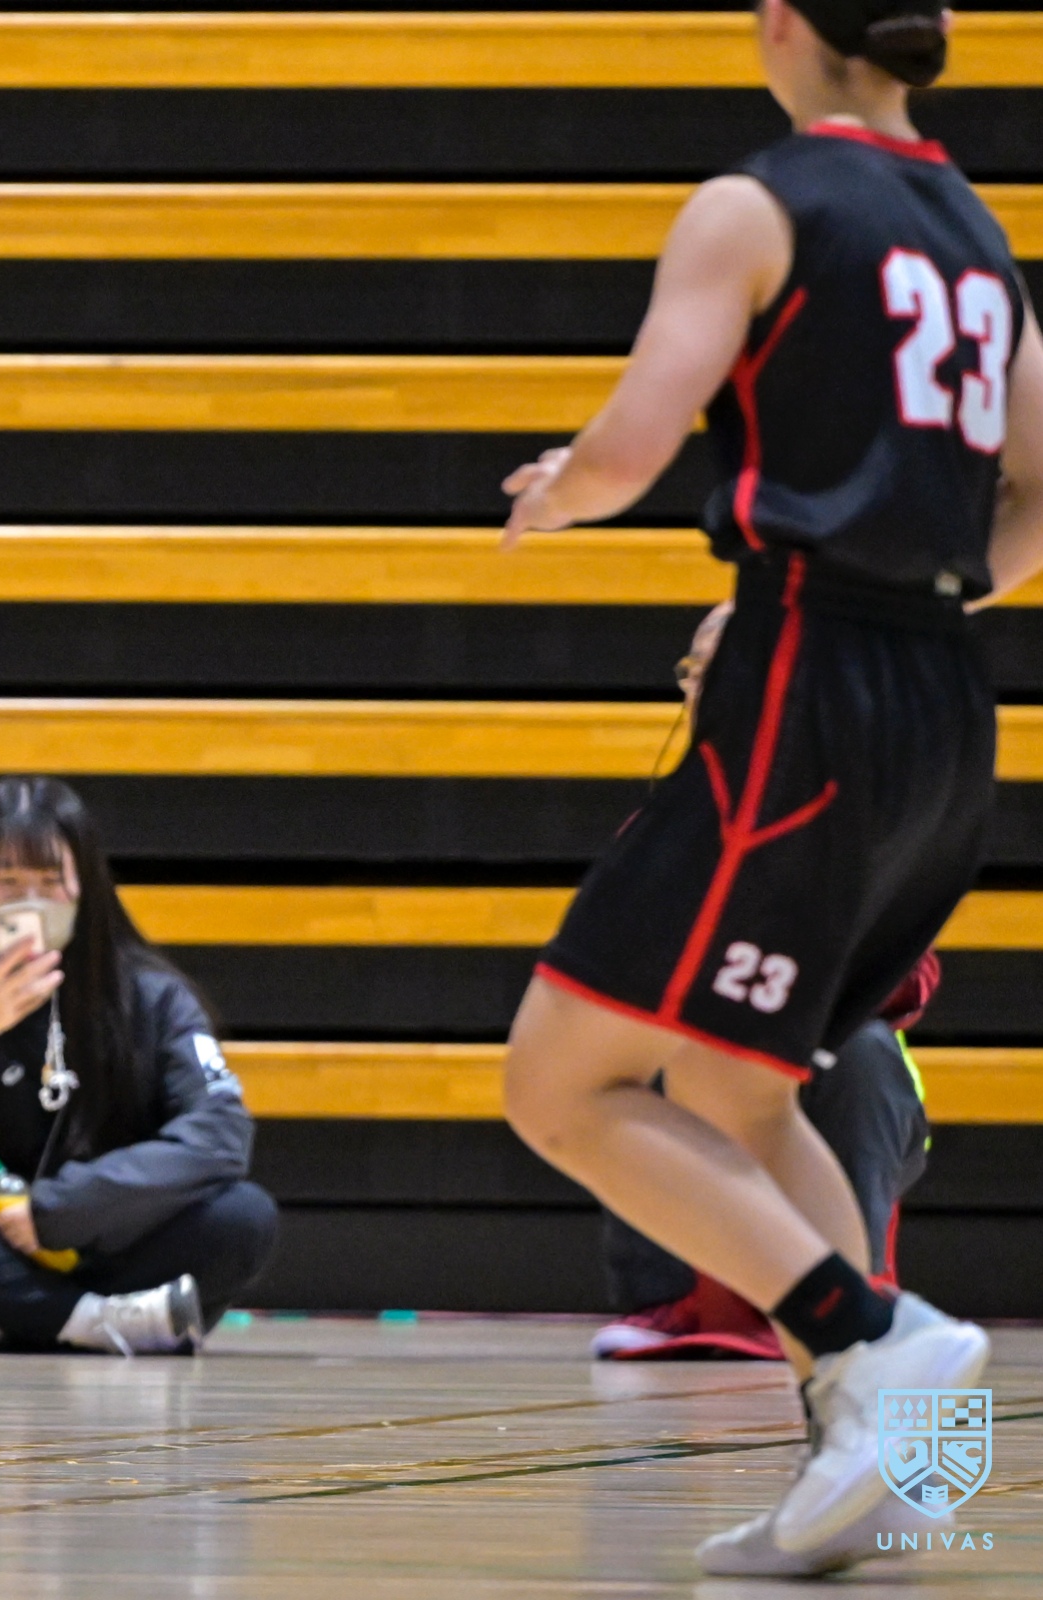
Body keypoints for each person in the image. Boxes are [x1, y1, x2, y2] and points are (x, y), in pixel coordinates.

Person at [496, 0, 1042, 1575]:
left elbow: (629, 445)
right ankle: (892, 1455)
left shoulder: (758, 203)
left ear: (778, 28)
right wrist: (923, 588)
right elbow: (1035, 499)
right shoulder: (975, 236)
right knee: (739, 1086)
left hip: (804, 683)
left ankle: (866, 1343)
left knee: (556, 1082)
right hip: (942, 699)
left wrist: (557, 492)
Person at [0, 777, 279, 1356]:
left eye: (49, 881)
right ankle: (95, 1323)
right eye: (7, 881)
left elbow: (219, 1133)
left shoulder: (156, 997)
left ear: (85, 886)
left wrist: (58, 1209)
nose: (28, 902)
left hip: (108, 1247)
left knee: (243, 1216)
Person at [591, 609, 938, 1362]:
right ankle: (680, 1303)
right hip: (701, 1056)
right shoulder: (663, 827)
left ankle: (863, 1301)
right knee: (612, 1054)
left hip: (827, 1070)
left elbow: (910, 974)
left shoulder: (861, 812)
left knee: (863, 1049)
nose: (700, 685)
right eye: (692, 670)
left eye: (721, 667)